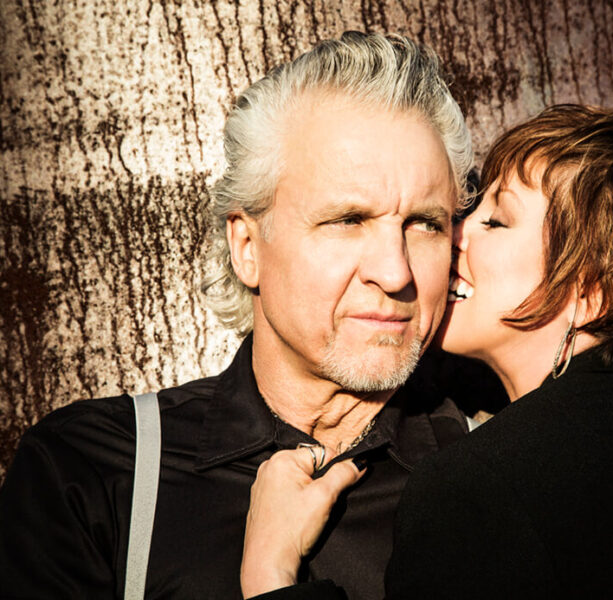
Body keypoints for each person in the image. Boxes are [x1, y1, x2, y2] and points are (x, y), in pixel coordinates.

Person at [241, 105, 613, 599]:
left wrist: (272, 575)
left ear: (592, 291)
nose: (455, 233)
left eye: (497, 220)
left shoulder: (480, 489)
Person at [0, 32, 474, 600]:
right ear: (247, 247)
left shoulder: (497, 478)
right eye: (348, 220)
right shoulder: (92, 473)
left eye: (425, 224)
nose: (395, 273)